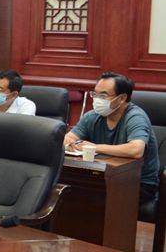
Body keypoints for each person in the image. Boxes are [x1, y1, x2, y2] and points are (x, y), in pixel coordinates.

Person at [64, 72, 160, 204]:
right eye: (95, 94)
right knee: (69, 190)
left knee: (87, 199)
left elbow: (136, 150)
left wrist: (95, 147)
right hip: (104, 177)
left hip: (138, 183)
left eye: (103, 95)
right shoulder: (92, 116)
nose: (97, 99)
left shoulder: (135, 117)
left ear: (122, 98)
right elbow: (70, 136)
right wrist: (68, 142)